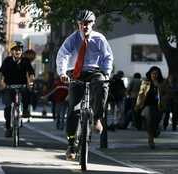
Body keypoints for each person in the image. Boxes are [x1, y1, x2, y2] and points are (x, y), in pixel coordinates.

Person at [56, 9, 113, 160]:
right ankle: (71, 145)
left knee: (102, 84)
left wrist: (106, 72)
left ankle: (97, 118)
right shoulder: (72, 39)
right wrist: (62, 73)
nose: (84, 26)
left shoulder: (100, 39)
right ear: (78, 24)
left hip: (95, 71)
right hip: (76, 73)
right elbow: (63, 55)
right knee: (73, 109)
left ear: (93, 23)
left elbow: (108, 57)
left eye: (87, 23)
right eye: (81, 23)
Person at [0, 41, 35, 137]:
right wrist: (2, 82)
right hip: (9, 86)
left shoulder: (25, 61)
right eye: (15, 50)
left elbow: (31, 73)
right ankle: (8, 128)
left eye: (19, 49)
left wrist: (30, 82)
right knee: (7, 107)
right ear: (11, 51)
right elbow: (1, 73)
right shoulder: (7, 60)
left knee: (28, 92)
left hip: (22, 86)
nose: (17, 51)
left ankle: (26, 110)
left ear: (22, 51)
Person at [135, 66, 164, 149]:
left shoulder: (161, 83)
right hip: (147, 105)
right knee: (150, 122)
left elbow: (165, 93)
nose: (155, 75)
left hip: (158, 106)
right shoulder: (146, 82)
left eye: (156, 74)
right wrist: (138, 105)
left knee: (156, 121)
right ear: (150, 74)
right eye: (153, 73)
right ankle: (151, 139)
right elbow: (140, 94)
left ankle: (154, 132)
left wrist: (159, 87)